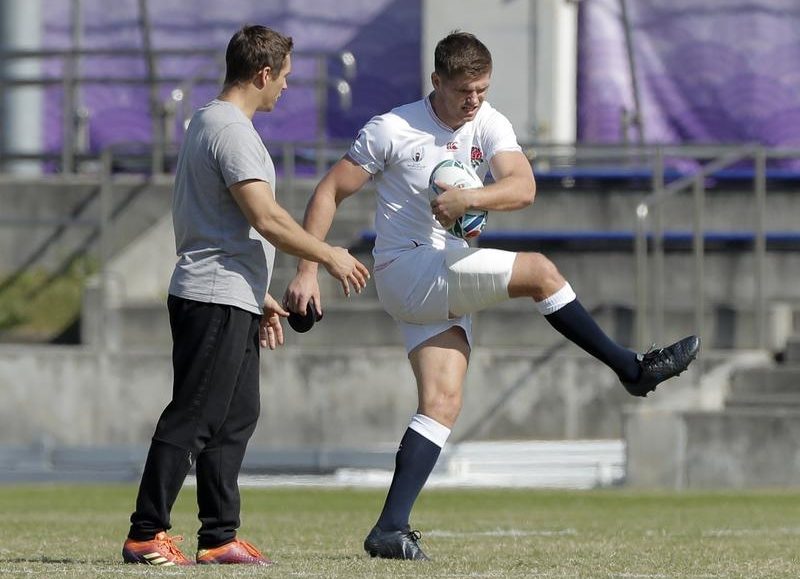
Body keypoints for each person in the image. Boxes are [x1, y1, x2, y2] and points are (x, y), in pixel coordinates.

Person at [283, 31, 699, 561]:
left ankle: (389, 528)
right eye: (464, 91)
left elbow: (523, 187)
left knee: (442, 402)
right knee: (540, 272)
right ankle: (631, 368)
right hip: (407, 266)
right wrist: (307, 270)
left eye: (481, 89)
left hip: (442, 270)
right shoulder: (392, 128)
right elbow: (329, 191)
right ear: (436, 81)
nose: (474, 100)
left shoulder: (489, 121)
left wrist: (470, 199)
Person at [121, 24, 370, 567]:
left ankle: (218, 537)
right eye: (284, 77)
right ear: (263, 73)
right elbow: (266, 217)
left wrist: (258, 294)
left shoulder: (210, 122)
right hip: (213, 292)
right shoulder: (230, 129)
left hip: (231, 292)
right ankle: (146, 533)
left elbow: (224, 223)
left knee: (235, 416)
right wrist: (327, 255)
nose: (286, 87)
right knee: (194, 415)